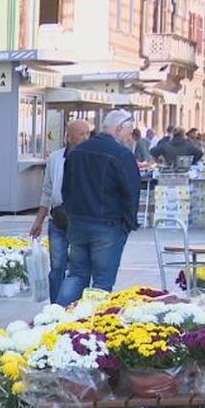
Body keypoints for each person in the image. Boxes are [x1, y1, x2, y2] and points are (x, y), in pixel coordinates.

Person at [56, 109, 141, 306]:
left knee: (76, 274)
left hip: (78, 223)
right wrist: (128, 223)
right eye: (129, 132)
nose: (130, 137)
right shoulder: (121, 154)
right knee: (102, 282)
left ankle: (57, 317)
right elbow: (131, 192)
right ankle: (91, 326)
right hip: (108, 224)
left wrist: (72, 216)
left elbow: (66, 190)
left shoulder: (77, 152)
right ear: (119, 129)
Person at [30, 120, 91, 303]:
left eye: (88, 133)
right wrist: (38, 221)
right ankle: (55, 307)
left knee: (79, 266)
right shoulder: (56, 158)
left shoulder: (90, 157)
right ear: (69, 136)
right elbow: (47, 190)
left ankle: (77, 305)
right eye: (82, 134)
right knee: (57, 266)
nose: (86, 137)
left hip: (81, 219)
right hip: (58, 218)